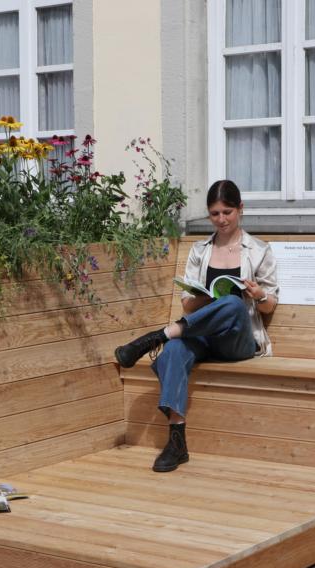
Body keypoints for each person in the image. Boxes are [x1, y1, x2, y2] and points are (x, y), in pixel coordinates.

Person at [114, 180, 279, 472]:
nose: (222, 219)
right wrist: (202, 297)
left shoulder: (258, 250)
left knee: (232, 304)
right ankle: (177, 442)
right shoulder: (200, 250)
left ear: (241, 209)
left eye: (228, 212)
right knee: (173, 351)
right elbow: (188, 304)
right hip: (203, 337)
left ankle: (156, 336)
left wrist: (258, 294)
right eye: (215, 214)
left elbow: (269, 306)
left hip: (238, 340)